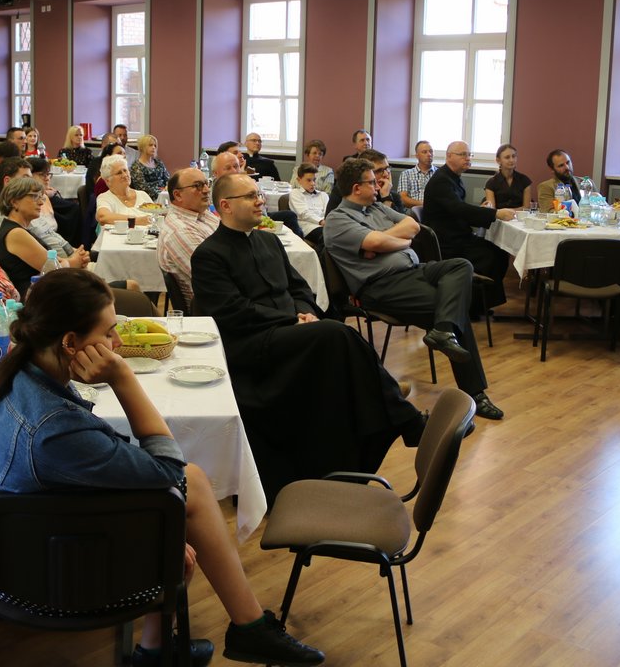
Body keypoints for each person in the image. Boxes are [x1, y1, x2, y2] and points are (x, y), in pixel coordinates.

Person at [0, 269, 325, 667]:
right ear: (70, 342)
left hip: (7, 546)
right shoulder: (53, 428)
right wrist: (123, 378)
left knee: (187, 491)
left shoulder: (16, 374)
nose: (117, 343)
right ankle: (235, 631)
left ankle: (200, 638)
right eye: (109, 332)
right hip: (40, 573)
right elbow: (169, 470)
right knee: (179, 504)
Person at [190, 173, 424, 504]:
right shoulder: (208, 254)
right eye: (251, 196)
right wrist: (291, 319)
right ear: (226, 206)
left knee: (333, 339)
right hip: (252, 344)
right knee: (336, 333)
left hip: (292, 333)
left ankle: (372, 438)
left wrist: (305, 313)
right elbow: (232, 311)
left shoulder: (269, 241)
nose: (260, 201)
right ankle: (403, 416)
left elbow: (299, 288)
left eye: (259, 194)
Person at [325, 158, 502, 420]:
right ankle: (475, 393)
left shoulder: (377, 208)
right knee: (451, 308)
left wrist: (387, 242)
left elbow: (413, 227)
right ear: (356, 188)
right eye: (372, 182)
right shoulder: (337, 220)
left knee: (460, 266)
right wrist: (396, 241)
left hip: (414, 271)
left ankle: (442, 332)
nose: (379, 185)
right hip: (381, 286)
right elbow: (378, 241)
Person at [422, 141, 516, 313]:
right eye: (463, 154)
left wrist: (482, 211)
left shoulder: (453, 177)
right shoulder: (442, 181)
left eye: (469, 154)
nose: (468, 158)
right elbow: (459, 209)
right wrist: (495, 213)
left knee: (500, 250)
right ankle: (472, 306)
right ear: (449, 156)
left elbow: (457, 209)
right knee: (491, 255)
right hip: (446, 242)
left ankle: (479, 303)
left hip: (455, 235)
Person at [0, 177, 89, 296]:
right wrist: (75, 261)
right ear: (14, 202)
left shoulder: (22, 229)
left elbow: (55, 261)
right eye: (34, 196)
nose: (41, 202)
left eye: (41, 197)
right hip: (34, 298)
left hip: (44, 291)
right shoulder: (15, 233)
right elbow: (53, 269)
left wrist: (76, 258)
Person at [157, 167, 218, 308]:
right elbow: (214, 277)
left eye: (207, 183)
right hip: (213, 308)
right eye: (198, 186)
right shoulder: (180, 231)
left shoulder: (203, 214)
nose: (206, 190)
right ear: (178, 195)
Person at [95, 155, 153, 228]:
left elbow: (156, 217)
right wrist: (138, 221)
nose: (125, 175)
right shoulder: (105, 198)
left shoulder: (142, 195)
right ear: (108, 181)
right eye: (119, 173)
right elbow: (103, 217)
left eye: (125, 170)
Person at [0, 157, 34, 243]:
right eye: (25, 178)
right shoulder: (5, 217)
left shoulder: (27, 205)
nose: (31, 184)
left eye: (31, 179)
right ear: (8, 181)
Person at [288, 163, 327, 247]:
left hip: (326, 226)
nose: (313, 183)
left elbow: (328, 212)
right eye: (309, 180)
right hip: (308, 227)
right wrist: (321, 221)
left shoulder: (323, 195)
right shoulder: (295, 194)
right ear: (299, 180)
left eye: (314, 180)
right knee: (326, 237)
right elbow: (304, 213)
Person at [485, 144, 533, 210]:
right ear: (498, 160)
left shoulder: (525, 180)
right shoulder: (491, 183)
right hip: (498, 216)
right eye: (507, 157)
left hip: (520, 216)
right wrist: (504, 213)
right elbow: (491, 209)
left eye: (514, 156)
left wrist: (509, 212)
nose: (511, 160)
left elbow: (526, 207)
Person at [397, 140, 435, 209]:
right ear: (417, 156)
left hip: (434, 210)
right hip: (413, 210)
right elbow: (403, 199)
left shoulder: (439, 174)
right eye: (424, 152)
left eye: (431, 151)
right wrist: (425, 204)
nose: (429, 154)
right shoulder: (406, 174)